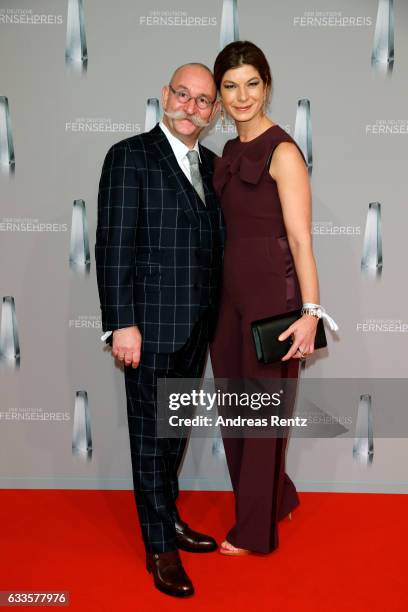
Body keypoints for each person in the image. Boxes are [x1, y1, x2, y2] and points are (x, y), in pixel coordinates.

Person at [95, 63, 224, 597]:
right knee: (150, 440)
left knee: (173, 434)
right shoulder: (130, 156)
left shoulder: (213, 167)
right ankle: (159, 549)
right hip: (146, 329)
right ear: (164, 95)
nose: (191, 107)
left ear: (213, 111)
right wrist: (120, 323)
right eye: (183, 94)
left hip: (196, 328)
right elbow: (111, 246)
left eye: (202, 100)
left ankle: (167, 517)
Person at [210, 41, 336, 556]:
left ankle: (255, 532)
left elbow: (302, 239)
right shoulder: (227, 153)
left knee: (261, 420)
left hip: (273, 302)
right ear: (219, 95)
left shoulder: (283, 151)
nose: (243, 96)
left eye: (252, 84)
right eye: (231, 86)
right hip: (227, 300)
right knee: (237, 411)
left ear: (267, 85)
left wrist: (310, 313)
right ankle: (276, 496)